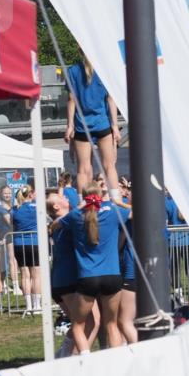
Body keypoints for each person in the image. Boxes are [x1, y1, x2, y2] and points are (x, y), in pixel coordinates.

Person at [55, 183, 130, 353]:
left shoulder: (75, 215)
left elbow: (57, 225)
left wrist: (80, 207)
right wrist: (119, 203)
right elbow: (135, 212)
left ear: (83, 196)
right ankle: (117, 361)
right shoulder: (112, 210)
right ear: (100, 194)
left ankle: (85, 359)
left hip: (87, 277)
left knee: (78, 325)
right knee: (111, 324)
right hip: (112, 275)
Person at [46, 189, 99, 357]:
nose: (65, 197)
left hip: (69, 278)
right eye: (61, 197)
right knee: (85, 322)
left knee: (90, 322)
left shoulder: (68, 220)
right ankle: (72, 358)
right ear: (56, 206)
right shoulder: (64, 222)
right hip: (66, 280)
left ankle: (66, 355)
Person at [64, 55, 122, 201]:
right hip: (102, 124)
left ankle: (84, 203)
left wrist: (70, 125)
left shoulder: (72, 71)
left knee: (83, 169)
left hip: (82, 126)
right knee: (109, 166)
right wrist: (114, 126)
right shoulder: (104, 70)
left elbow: (72, 100)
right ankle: (116, 201)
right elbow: (110, 99)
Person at [11, 186, 42, 315]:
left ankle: (29, 306)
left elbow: (11, 224)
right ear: (30, 194)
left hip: (19, 243)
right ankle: (37, 305)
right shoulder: (37, 207)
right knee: (36, 274)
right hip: (34, 242)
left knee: (25, 274)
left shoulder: (14, 210)